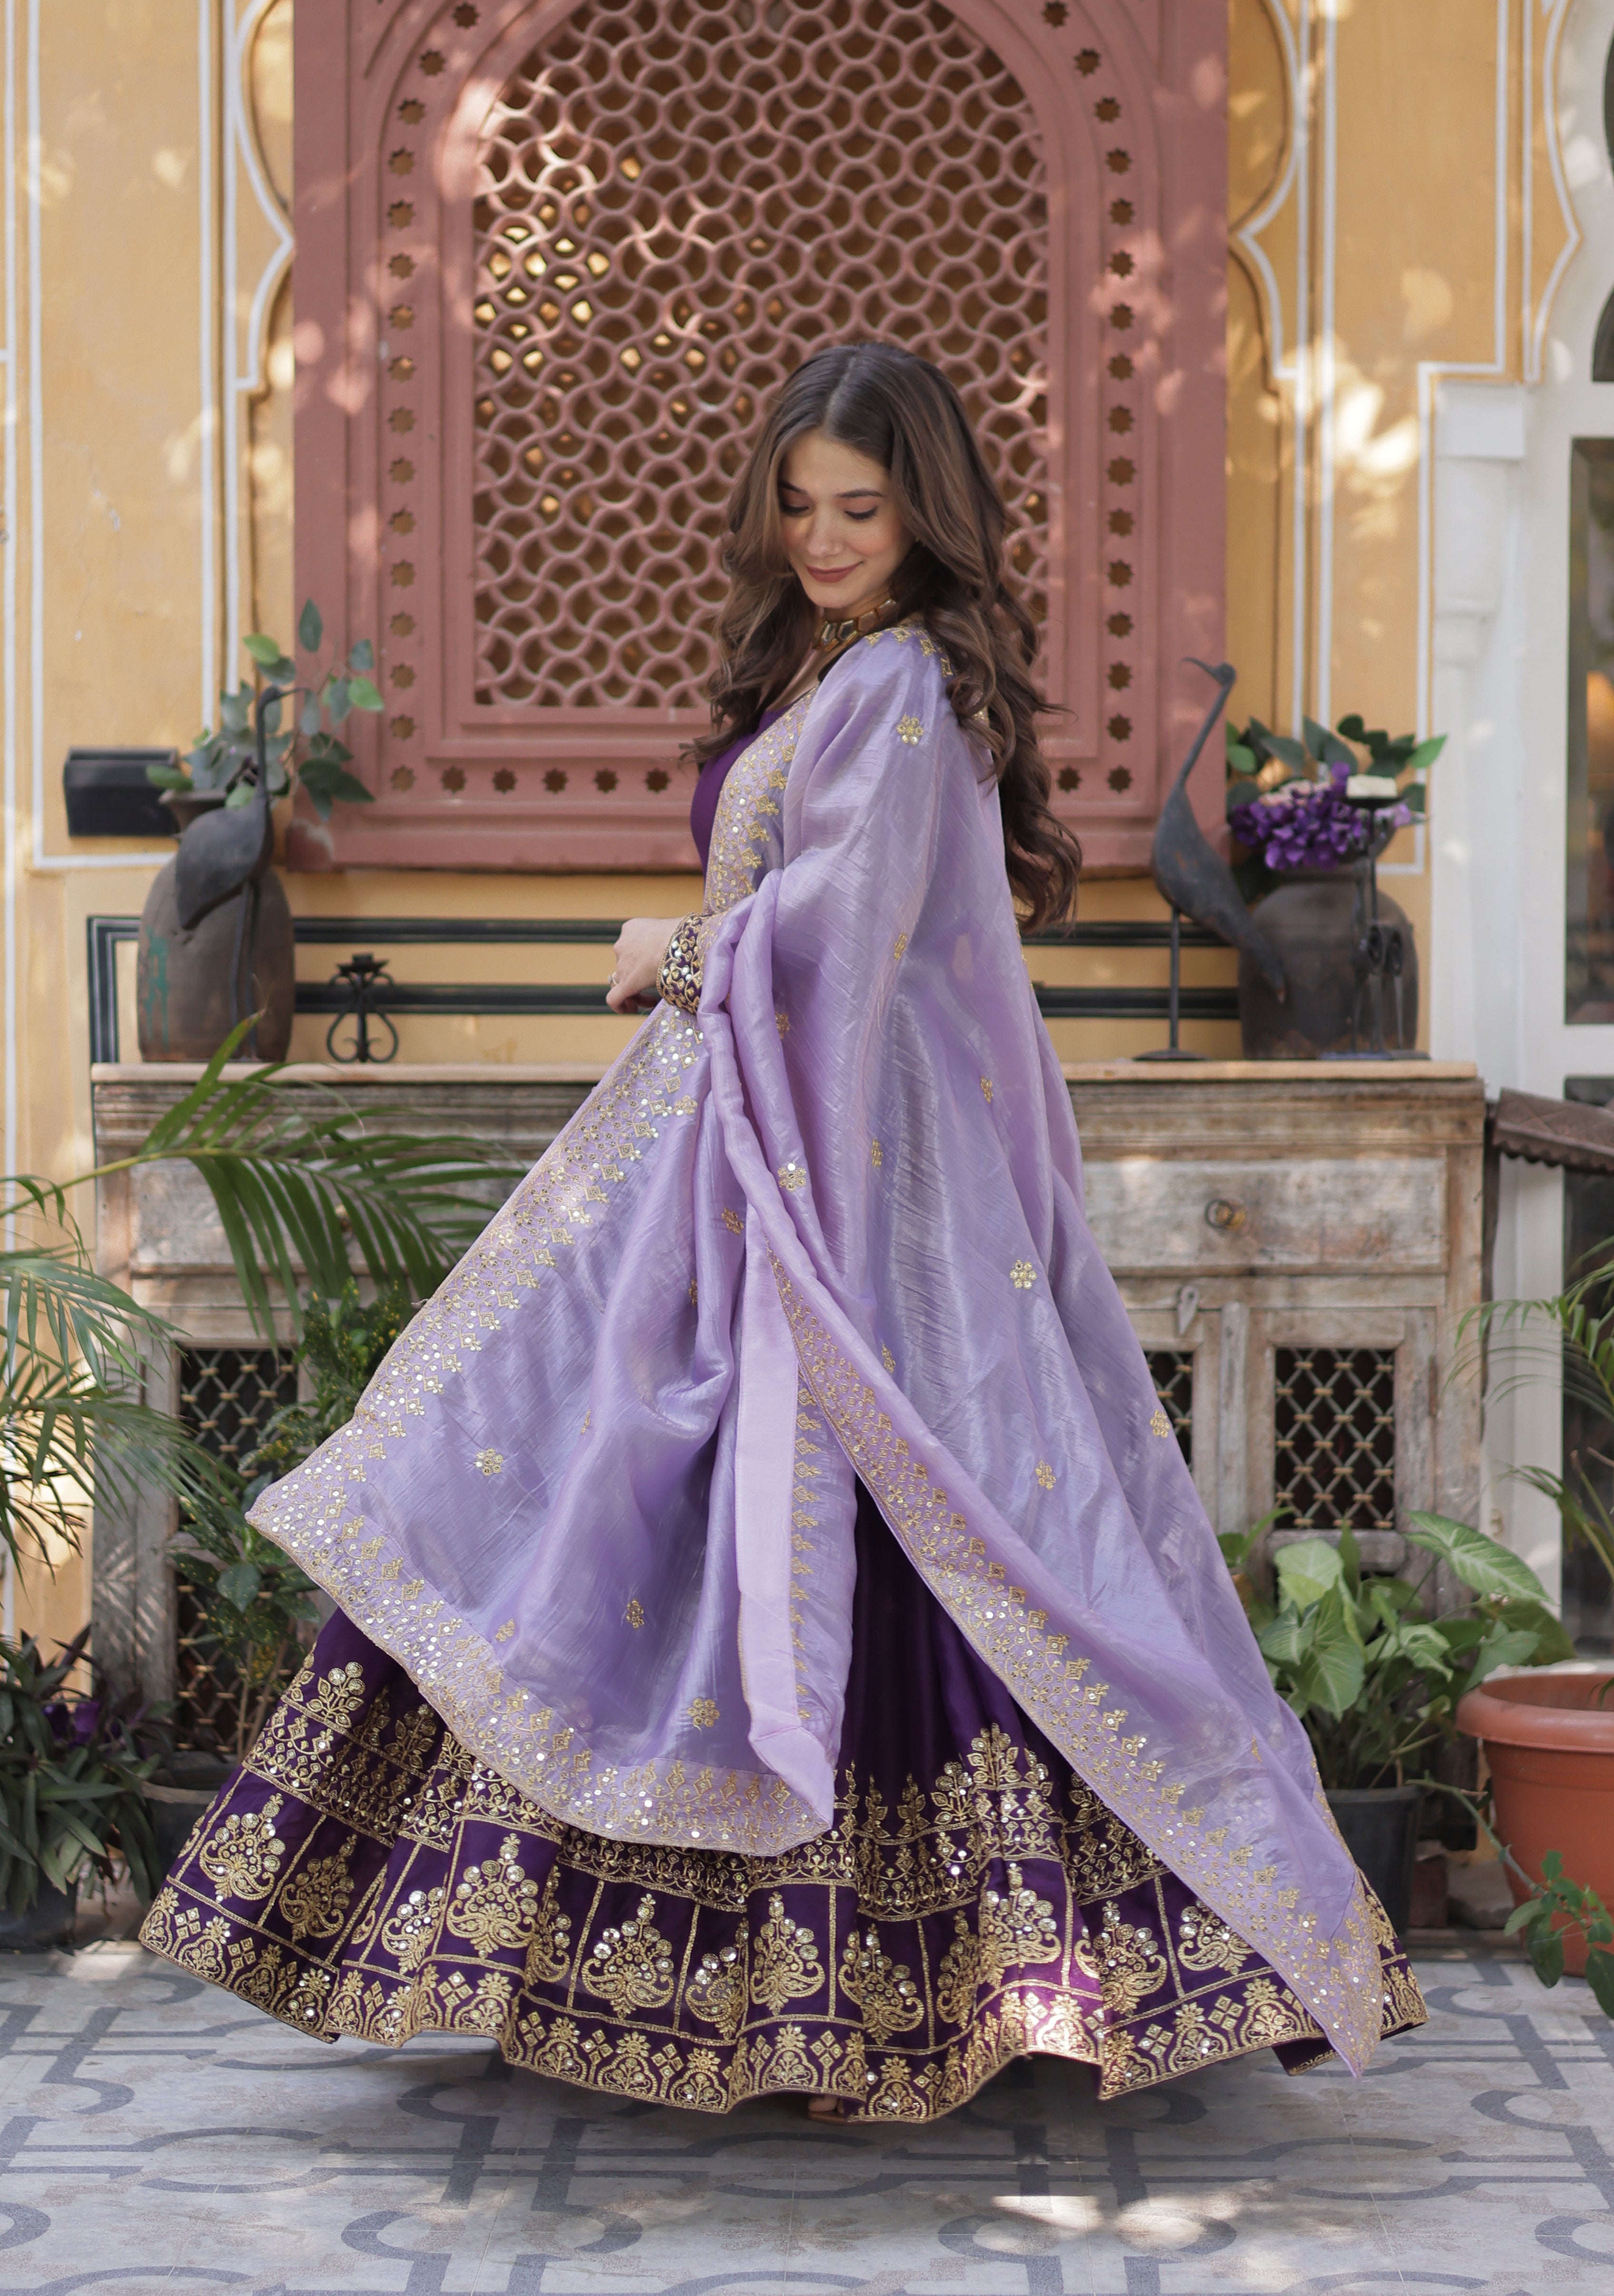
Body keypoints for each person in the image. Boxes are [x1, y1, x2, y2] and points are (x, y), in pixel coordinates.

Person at [142, 340, 1424, 2120]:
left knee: (855, 1524)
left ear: (925, 517)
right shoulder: (840, 668)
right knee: (644, 1507)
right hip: (755, 1152)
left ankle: (886, 2006)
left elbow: (842, 937)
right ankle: (733, 1999)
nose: (824, 538)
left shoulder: (904, 682)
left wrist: (672, 953)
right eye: (801, 506)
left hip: (853, 1185)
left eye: (862, 509)